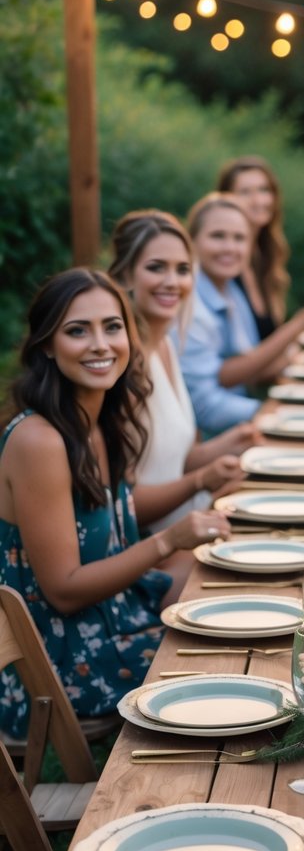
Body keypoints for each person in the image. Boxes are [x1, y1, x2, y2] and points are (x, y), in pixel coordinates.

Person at [0, 268, 230, 737]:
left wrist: (201, 484)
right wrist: (169, 539)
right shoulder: (38, 439)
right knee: (223, 659)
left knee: (231, 579)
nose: (100, 344)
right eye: (77, 330)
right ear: (46, 345)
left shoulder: (101, 417)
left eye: (112, 326)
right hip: (59, 665)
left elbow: (116, 508)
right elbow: (63, 590)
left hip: (118, 612)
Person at [109, 210, 257, 541]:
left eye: (183, 270)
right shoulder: (121, 366)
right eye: (156, 267)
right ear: (125, 275)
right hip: (152, 547)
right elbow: (123, 508)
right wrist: (202, 480)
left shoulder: (164, 347)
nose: (172, 282)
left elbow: (180, 460)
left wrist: (234, 443)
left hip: (197, 523)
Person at [180, 193, 304, 434]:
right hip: (212, 442)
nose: (230, 247)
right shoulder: (189, 304)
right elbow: (205, 406)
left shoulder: (231, 291)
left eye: (239, 238)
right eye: (217, 236)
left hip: (239, 425)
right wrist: (270, 413)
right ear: (192, 242)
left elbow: (252, 364)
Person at [216, 155, 290, 339]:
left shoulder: (265, 256)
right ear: (226, 199)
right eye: (245, 192)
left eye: (264, 190)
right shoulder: (222, 260)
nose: (258, 200)